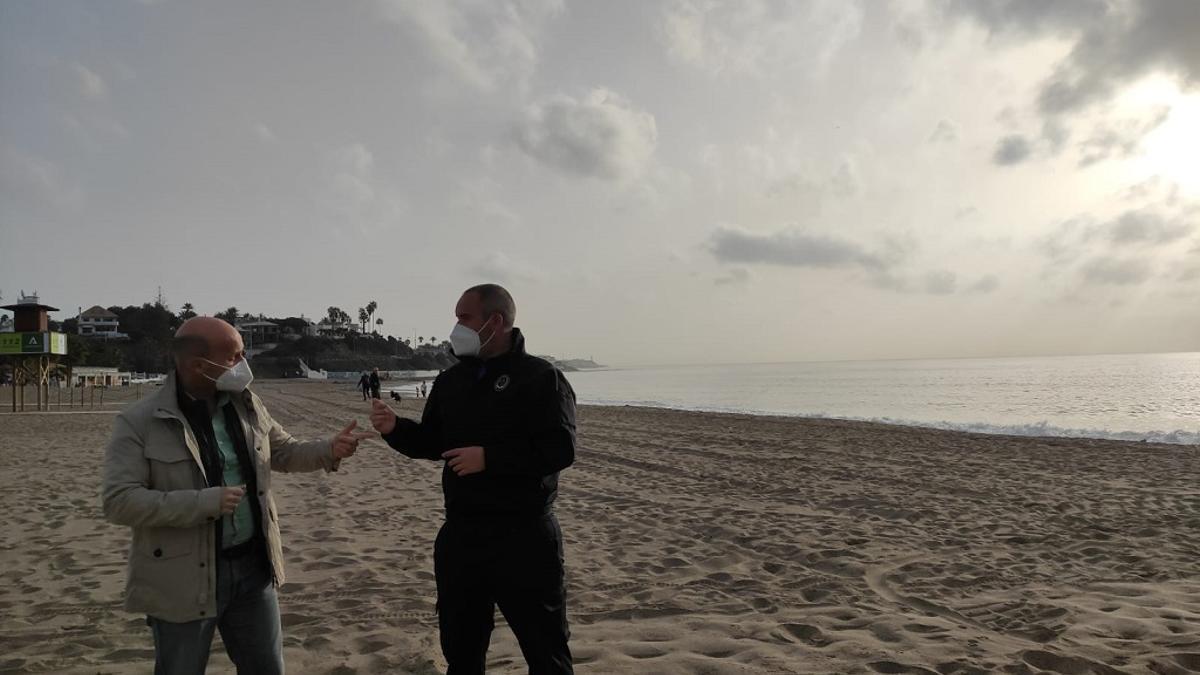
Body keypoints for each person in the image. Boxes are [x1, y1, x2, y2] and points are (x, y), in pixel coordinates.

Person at [102, 317, 372, 674]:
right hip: (181, 578)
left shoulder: (247, 404)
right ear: (198, 364)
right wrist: (203, 503)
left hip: (253, 569)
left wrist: (330, 450)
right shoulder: (139, 421)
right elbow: (119, 501)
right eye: (235, 356)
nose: (244, 363)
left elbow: (284, 452)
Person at [369, 284, 577, 675]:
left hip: (525, 538)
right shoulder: (451, 381)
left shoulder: (541, 378)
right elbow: (433, 442)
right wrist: (395, 428)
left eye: (464, 318)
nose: (456, 327)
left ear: (494, 322)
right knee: (461, 653)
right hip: (462, 537)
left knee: (546, 651)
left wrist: (490, 458)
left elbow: (560, 449)